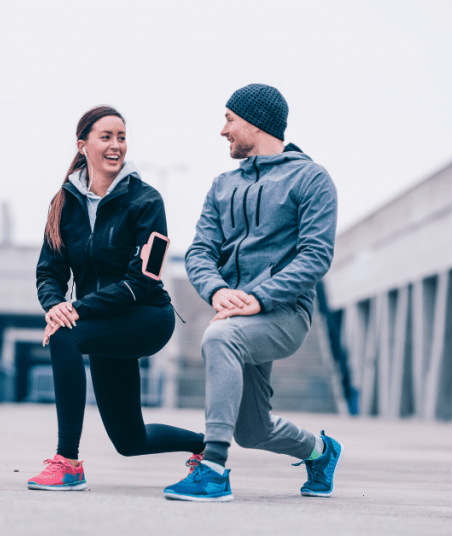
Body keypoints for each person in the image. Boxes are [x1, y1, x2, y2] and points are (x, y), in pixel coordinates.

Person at [163, 84, 342, 502]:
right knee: (252, 430)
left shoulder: (311, 179)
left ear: (255, 121)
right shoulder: (222, 185)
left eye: (229, 119)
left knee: (219, 336)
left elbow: (315, 256)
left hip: (284, 313)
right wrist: (217, 290)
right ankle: (321, 451)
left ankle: (211, 469)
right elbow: (201, 251)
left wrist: (259, 298)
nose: (223, 131)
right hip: (235, 311)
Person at [28, 106, 204, 491]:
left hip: (146, 316)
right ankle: (205, 446)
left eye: (121, 137)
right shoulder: (64, 203)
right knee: (130, 441)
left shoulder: (146, 201)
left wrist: (74, 310)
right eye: (106, 136)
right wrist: (55, 304)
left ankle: (68, 462)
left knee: (64, 335)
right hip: (101, 321)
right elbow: (50, 270)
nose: (115, 145)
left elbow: (142, 280)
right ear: (83, 145)